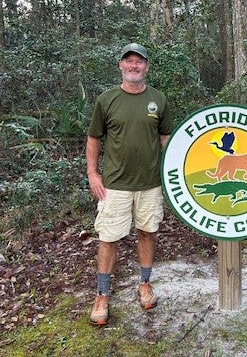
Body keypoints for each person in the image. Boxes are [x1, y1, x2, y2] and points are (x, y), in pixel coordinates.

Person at [86, 42, 173, 326]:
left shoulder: (158, 99)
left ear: (146, 66)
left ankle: (145, 283)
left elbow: (166, 140)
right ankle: (102, 295)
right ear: (120, 65)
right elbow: (94, 138)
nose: (134, 66)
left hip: (150, 183)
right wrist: (93, 174)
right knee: (109, 237)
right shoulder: (107, 100)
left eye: (139, 61)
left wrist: (175, 174)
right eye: (129, 61)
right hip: (115, 184)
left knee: (147, 232)